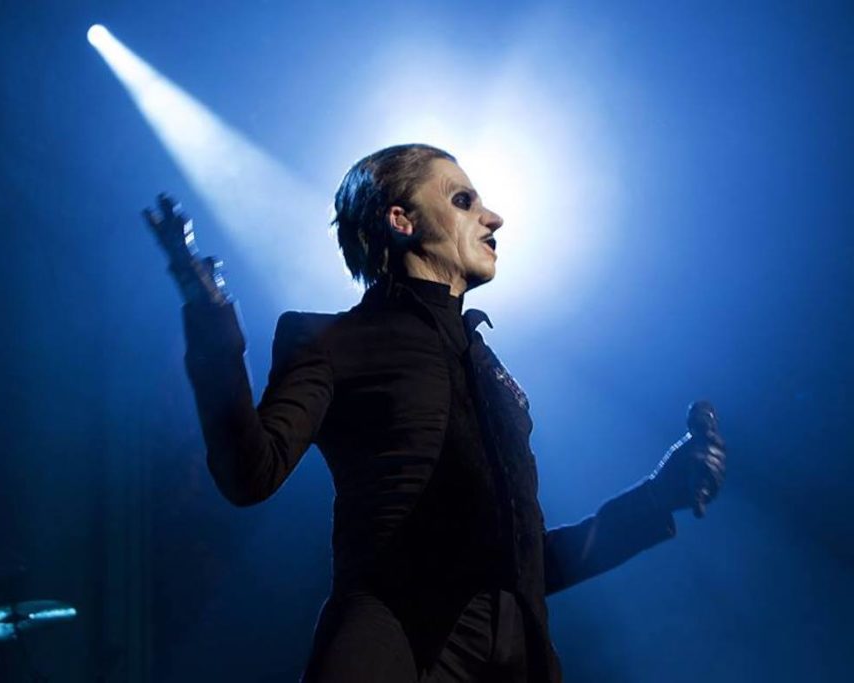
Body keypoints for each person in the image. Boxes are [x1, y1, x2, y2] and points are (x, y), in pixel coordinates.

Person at [143, 144, 727, 682]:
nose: (493, 219)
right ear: (402, 220)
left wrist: (658, 496)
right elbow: (250, 471)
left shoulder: (490, 372)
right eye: (463, 201)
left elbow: (524, 565)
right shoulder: (332, 341)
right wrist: (209, 315)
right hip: (392, 646)